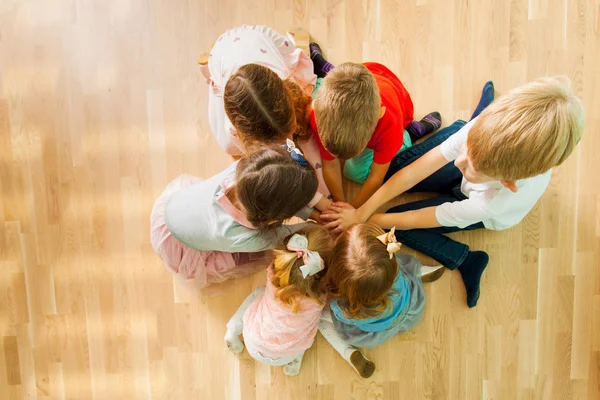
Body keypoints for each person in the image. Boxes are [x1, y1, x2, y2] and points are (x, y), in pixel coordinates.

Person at [322, 77, 584, 307]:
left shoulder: (493, 203)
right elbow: (416, 171)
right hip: (480, 162)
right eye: (467, 150)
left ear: (508, 181)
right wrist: (362, 210)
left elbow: (420, 218)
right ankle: (466, 126)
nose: (459, 161)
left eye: (472, 165)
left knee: (395, 225)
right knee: (396, 170)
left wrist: (367, 220)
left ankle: (466, 259)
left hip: (472, 203)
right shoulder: (479, 134)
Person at [150, 146, 319, 288]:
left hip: (176, 208)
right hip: (180, 246)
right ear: (275, 218)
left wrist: (311, 213)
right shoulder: (248, 237)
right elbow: (282, 235)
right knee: (253, 257)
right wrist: (312, 226)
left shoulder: (249, 173)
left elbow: (279, 197)